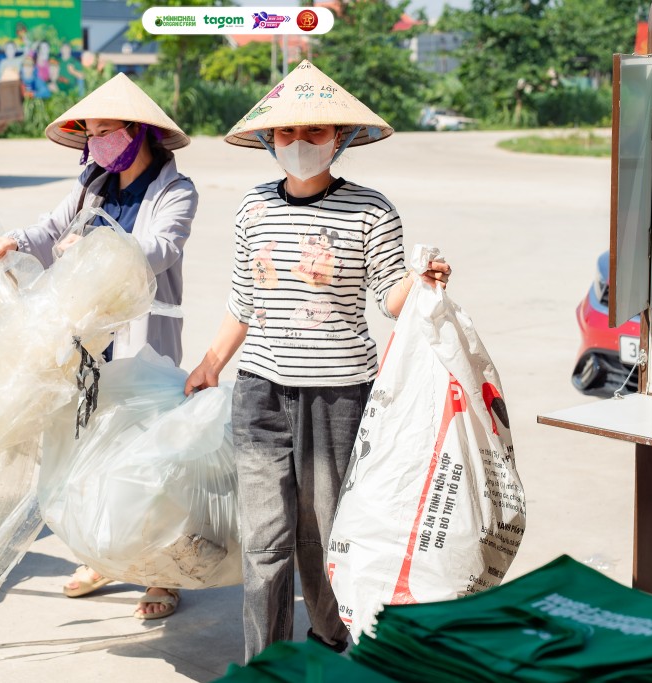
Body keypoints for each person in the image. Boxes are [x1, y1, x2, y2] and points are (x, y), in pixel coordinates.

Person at [184, 60, 452, 661]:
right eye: (287, 134)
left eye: (314, 133)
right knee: (264, 541)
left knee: (328, 534)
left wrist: (422, 280)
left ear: (340, 138)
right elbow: (243, 299)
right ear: (268, 140)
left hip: (338, 397)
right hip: (260, 392)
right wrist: (211, 362)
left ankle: (335, 642)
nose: (299, 144)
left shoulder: (370, 210)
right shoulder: (253, 207)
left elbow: (390, 298)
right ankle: (266, 663)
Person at [0, 73, 198, 619]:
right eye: (92, 132)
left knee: (150, 464)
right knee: (89, 457)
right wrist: (14, 240)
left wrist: (102, 246)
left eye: (108, 130)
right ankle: (105, 557)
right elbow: (49, 230)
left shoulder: (176, 191)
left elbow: (160, 249)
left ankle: (160, 577)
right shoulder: (91, 183)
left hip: (143, 343)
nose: (98, 141)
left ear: (140, 131)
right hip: (91, 344)